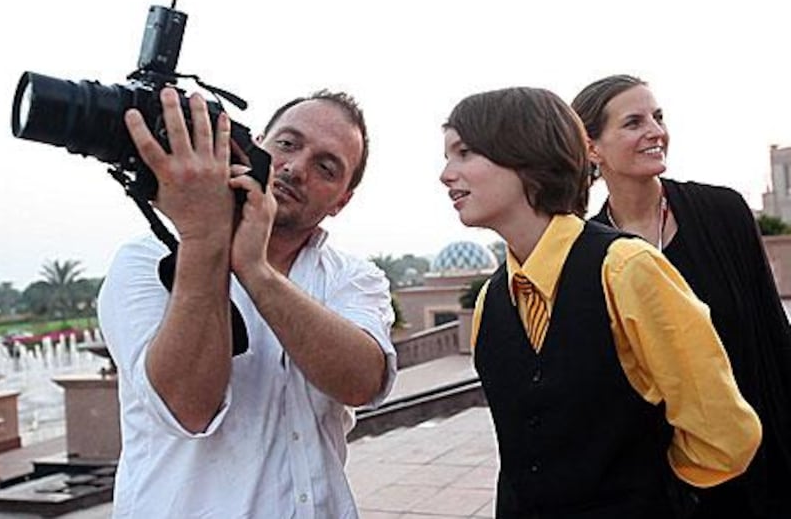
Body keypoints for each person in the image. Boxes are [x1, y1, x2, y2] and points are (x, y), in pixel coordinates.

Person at [439, 86, 762, 518]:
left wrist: (648, 494)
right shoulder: (491, 303)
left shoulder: (626, 270)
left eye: (463, 153)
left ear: (523, 154)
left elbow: (724, 436)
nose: (446, 174)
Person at [97, 87, 396, 518]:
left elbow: (363, 382)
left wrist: (255, 271)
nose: (294, 168)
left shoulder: (353, 277)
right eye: (287, 144)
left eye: (326, 167)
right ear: (255, 144)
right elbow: (187, 410)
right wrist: (205, 240)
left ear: (341, 201)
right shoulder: (146, 260)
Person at [572, 74, 791, 519]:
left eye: (658, 116)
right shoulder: (587, 252)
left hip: (757, 463)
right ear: (592, 148)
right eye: (633, 122)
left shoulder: (724, 212)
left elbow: (773, 335)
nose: (655, 131)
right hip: (659, 485)